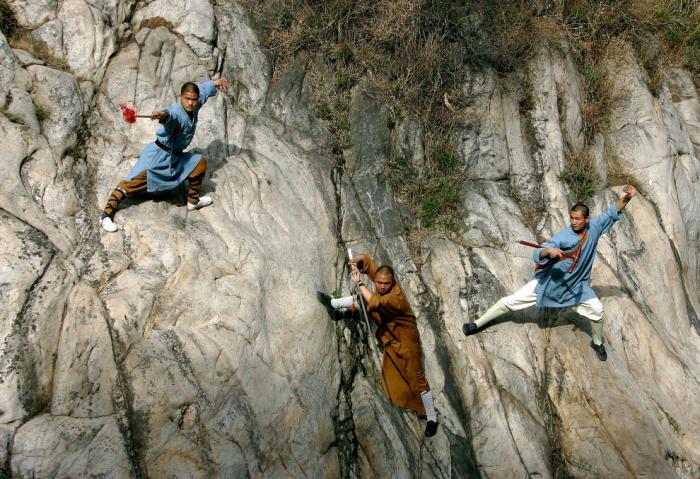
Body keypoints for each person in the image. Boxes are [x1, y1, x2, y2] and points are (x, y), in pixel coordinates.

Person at [463, 185, 638, 361]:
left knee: (597, 310)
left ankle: (598, 343)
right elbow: (540, 251)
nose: (573, 222)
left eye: (577, 219)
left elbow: (611, 212)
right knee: (510, 301)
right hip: (551, 283)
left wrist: (628, 197)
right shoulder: (564, 237)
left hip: (577, 286)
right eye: (571, 218)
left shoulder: (594, 229)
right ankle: (476, 324)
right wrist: (549, 252)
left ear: (586, 219)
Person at [318, 254, 439, 437]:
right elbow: (368, 262)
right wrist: (356, 261)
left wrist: (360, 284)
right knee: (361, 299)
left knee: (417, 377)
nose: (381, 286)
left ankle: (431, 418)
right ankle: (333, 304)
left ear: (393, 283)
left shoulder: (395, 296)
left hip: (407, 341)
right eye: (380, 283)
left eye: (385, 284)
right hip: (390, 331)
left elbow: (376, 302)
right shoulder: (383, 280)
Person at [100, 78, 229, 232]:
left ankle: (193, 201)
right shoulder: (175, 112)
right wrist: (162, 115)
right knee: (129, 184)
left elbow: (202, 90)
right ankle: (106, 216)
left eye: (193, 100)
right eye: (187, 99)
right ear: (180, 98)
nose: (190, 103)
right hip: (158, 156)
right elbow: (169, 116)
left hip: (176, 157)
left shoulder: (195, 103)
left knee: (199, 162)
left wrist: (216, 82)